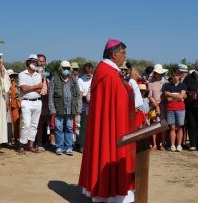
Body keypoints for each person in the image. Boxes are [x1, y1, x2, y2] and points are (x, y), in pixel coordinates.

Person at [79, 39, 136, 203]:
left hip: (108, 125)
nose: (124, 57)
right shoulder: (109, 74)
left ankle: (104, 191)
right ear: (114, 54)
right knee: (109, 150)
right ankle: (113, 194)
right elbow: (120, 103)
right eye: (123, 53)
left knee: (103, 149)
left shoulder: (106, 71)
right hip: (114, 127)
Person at [48, 61, 82, 156]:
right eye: (64, 68)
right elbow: (50, 95)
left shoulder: (73, 79)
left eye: (68, 68)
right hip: (58, 109)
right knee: (58, 128)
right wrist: (52, 109)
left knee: (69, 128)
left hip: (71, 108)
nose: (66, 70)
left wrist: (79, 108)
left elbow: (78, 94)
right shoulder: (54, 79)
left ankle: (69, 147)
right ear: (60, 68)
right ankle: (59, 147)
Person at [18, 54, 43, 154]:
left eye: (36, 62)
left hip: (37, 101)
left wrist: (30, 87)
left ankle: (31, 145)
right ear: (28, 62)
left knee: (34, 125)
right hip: (26, 102)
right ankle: (22, 145)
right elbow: (23, 88)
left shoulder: (38, 75)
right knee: (26, 124)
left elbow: (40, 89)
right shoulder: (22, 74)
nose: (34, 63)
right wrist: (36, 87)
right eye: (32, 61)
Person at [183, 61, 198, 151]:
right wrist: (189, 93)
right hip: (191, 106)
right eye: (197, 69)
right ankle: (193, 144)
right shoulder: (188, 78)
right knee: (192, 125)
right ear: (195, 68)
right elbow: (183, 89)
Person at [164, 67, 187, 152]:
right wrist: (178, 96)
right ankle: (173, 145)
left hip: (180, 109)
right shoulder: (167, 85)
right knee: (172, 127)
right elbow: (168, 99)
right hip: (170, 109)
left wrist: (171, 94)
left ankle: (179, 145)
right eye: (173, 76)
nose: (175, 77)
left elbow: (182, 96)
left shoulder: (183, 85)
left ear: (179, 76)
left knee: (180, 127)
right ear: (171, 76)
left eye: (177, 75)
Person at [148, 64, 168, 151]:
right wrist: (155, 104)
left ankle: (163, 144)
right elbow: (149, 95)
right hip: (153, 106)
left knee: (163, 125)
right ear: (155, 73)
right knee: (154, 125)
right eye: (157, 73)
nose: (158, 74)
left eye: (160, 73)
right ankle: (154, 144)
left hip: (163, 105)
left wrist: (158, 103)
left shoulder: (165, 83)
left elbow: (164, 95)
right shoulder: (150, 84)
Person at [35, 54, 51, 150]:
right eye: (39, 61)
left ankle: (45, 140)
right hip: (36, 99)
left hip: (46, 100)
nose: (41, 63)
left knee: (45, 121)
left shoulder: (49, 72)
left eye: (43, 61)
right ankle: (37, 141)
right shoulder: (33, 71)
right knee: (37, 122)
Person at [77, 63, 93, 152]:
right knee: (83, 127)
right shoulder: (80, 80)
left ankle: (91, 145)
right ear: (83, 71)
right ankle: (82, 145)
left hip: (94, 107)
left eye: (90, 72)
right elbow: (80, 94)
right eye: (86, 73)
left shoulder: (95, 78)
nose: (88, 74)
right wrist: (87, 101)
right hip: (84, 107)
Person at [7, 69, 21, 145]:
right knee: (8, 122)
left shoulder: (16, 84)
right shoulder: (4, 84)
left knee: (16, 122)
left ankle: (16, 138)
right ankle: (8, 138)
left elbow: (19, 94)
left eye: (13, 76)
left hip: (15, 105)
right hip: (7, 104)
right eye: (10, 76)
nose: (12, 77)